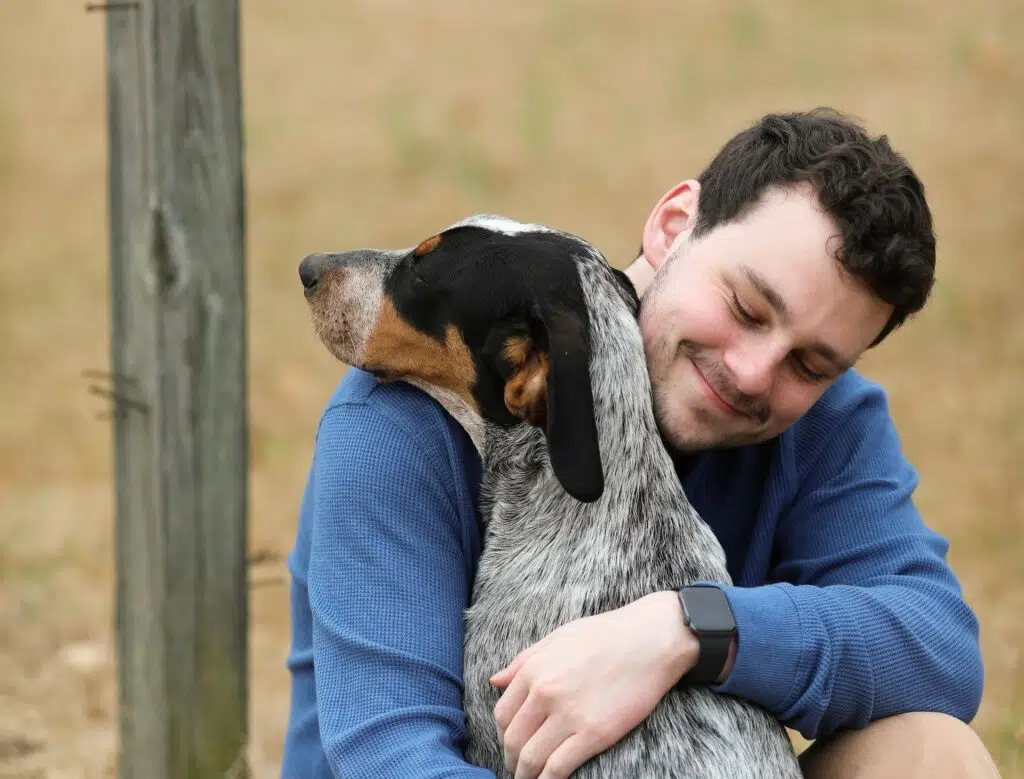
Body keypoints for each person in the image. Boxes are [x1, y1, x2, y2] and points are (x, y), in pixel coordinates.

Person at [278, 108, 1001, 779]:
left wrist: (687, 629)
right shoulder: (407, 414)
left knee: (934, 757)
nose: (753, 373)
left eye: (810, 363)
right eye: (746, 306)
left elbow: (937, 649)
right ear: (673, 223)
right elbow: (388, 756)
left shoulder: (822, 417)